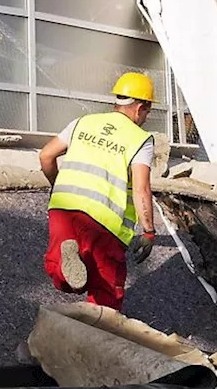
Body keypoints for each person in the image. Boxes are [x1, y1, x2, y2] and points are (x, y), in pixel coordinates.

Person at [39, 72, 160, 310]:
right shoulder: (140, 139)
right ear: (140, 107)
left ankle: (66, 267)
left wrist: (58, 186)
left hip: (63, 209)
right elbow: (141, 189)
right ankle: (99, 338)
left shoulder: (82, 122)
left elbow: (46, 155)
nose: (146, 118)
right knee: (106, 291)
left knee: (62, 273)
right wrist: (149, 231)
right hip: (104, 222)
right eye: (147, 111)